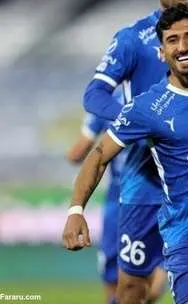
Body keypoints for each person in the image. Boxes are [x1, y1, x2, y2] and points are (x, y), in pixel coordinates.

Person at [64, 4, 188, 303]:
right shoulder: (147, 108)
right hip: (186, 236)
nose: (183, 47)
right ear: (162, 52)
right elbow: (98, 155)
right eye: (173, 40)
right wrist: (75, 211)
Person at [81, 0, 188, 304]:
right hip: (146, 182)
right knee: (136, 290)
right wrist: (137, 122)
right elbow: (95, 95)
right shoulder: (132, 39)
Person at [67, 107, 124, 304]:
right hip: (156, 191)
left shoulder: (104, 106)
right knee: (154, 264)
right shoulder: (155, 99)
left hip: (120, 196)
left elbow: (77, 153)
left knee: (112, 266)